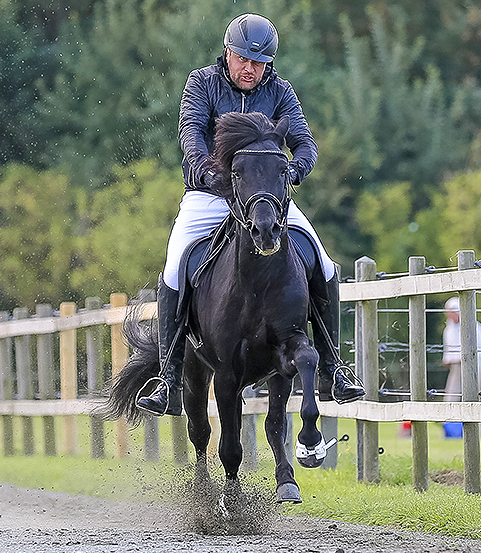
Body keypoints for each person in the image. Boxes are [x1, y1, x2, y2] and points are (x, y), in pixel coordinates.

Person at [137, 14, 364, 416]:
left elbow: (305, 142)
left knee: (326, 267)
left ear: (269, 63)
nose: (250, 69)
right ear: (228, 53)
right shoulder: (202, 82)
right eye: (243, 59)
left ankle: (334, 368)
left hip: (266, 199)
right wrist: (206, 169)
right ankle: (168, 378)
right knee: (174, 267)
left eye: (258, 63)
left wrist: (294, 170)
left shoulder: (280, 91)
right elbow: (190, 132)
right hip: (210, 195)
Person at [441, 296, 481, 401]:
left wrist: (467, 358)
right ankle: (450, 416)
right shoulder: (448, 329)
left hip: (474, 368)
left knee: (473, 397)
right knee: (451, 396)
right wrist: (447, 360)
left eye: (451, 311)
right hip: (456, 368)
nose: (448, 314)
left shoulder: (474, 326)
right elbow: (448, 348)